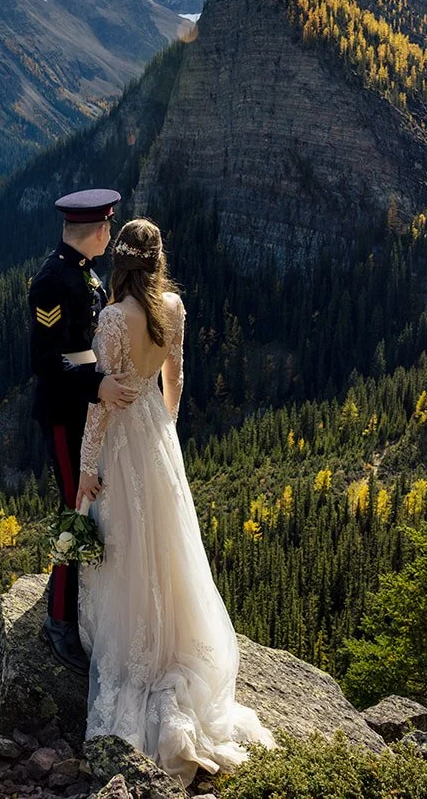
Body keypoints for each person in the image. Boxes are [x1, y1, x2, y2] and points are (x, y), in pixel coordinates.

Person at [75, 218, 276, 787]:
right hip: (158, 436)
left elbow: (102, 401)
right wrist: (165, 428)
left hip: (121, 437)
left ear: (120, 262)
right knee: (163, 544)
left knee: (124, 544)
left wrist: (89, 468)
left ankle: (136, 656)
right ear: (158, 260)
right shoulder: (174, 308)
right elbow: (176, 378)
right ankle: (172, 648)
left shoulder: (113, 318)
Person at [29, 188, 140, 674]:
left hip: (89, 408)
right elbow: (47, 363)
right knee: (75, 509)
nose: (110, 235)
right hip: (65, 412)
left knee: (88, 505)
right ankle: (58, 622)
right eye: (108, 228)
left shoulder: (80, 271)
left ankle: (70, 604)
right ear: (96, 231)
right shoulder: (53, 280)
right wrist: (97, 384)